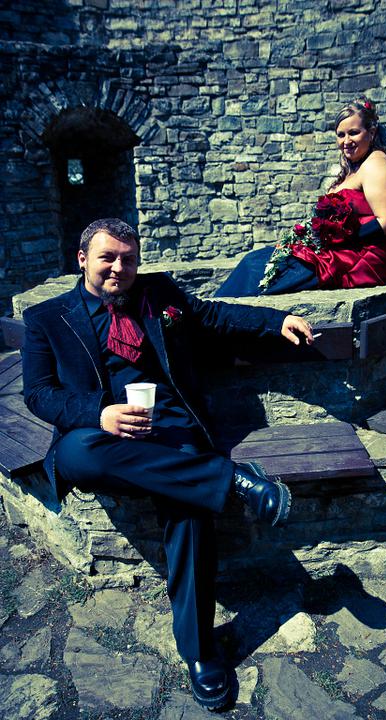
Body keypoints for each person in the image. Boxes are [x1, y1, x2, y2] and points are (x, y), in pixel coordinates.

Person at [21, 217, 313, 711]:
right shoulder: (48, 318)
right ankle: (234, 482)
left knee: (190, 505)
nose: (119, 268)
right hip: (101, 440)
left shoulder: (159, 294)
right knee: (77, 452)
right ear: (83, 259)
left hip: (173, 430)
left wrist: (275, 320)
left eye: (128, 259)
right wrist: (99, 413)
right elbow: (38, 393)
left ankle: (199, 653)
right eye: (108, 258)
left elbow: (214, 316)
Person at [215, 96, 386, 298]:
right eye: (341, 135)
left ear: (371, 132)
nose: (346, 141)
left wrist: (342, 240)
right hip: (347, 252)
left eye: (354, 133)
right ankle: (216, 310)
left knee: (258, 267)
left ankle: (221, 312)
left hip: (366, 258)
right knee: (256, 260)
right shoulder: (357, 166)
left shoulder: (376, 165)